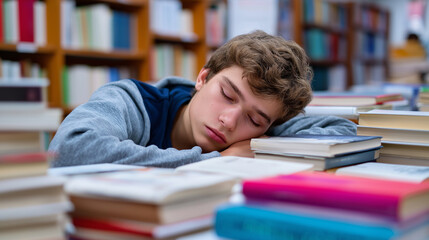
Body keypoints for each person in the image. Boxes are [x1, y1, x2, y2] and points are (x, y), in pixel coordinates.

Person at [49, 30, 356, 168]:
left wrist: (265, 141)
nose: (229, 120)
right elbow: (69, 149)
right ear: (202, 77)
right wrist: (218, 162)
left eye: (254, 119)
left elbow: (344, 134)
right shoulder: (130, 101)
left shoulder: (261, 134)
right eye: (227, 95)